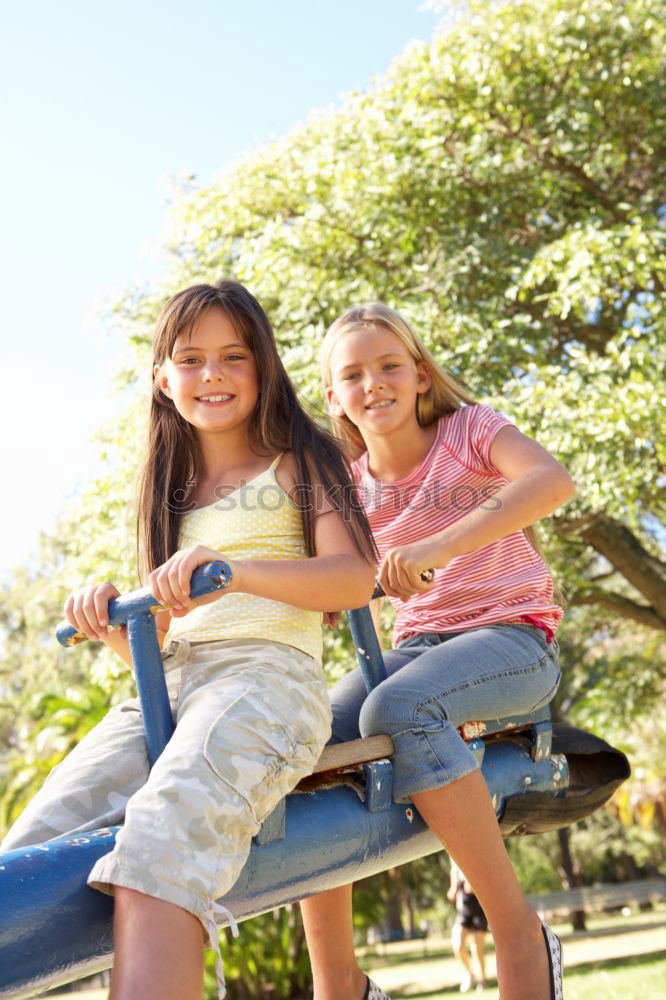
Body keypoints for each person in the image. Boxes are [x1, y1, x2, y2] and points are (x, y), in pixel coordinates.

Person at [0, 281, 377, 1000]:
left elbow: (352, 579)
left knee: (160, 843)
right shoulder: (168, 488)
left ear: (264, 366)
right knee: (24, 857)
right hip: (165, 690)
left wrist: (237, 573)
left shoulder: (302, 459)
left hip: (266, 681)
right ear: (162, 379)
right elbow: (163, 643)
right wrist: (111, 620)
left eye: (234, 356)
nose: (212, 374)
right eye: (192, 358)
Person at [300, 303, 572, 1000]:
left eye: (390, 365)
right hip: (419, 649)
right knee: (299, 737)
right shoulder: (349, 494)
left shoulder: (469, 431)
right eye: (353, 374)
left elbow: (551, 481)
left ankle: (518, 933)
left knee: (400, 706)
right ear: (333, 396)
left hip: (512, 640)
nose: (374, 383)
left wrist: (438, 547)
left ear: (420, 375)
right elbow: (331, 588)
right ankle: (342, 986)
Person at [447, 861, 488, 993]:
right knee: (457, 946)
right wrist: (452, 891)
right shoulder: (455, 870)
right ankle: (470, 974)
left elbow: (484, 888)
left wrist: (473, 885)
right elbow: (452, 893)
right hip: (463, 912)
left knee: (477, 949)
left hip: (479, 912)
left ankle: (482, 981)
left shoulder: (474, 862)